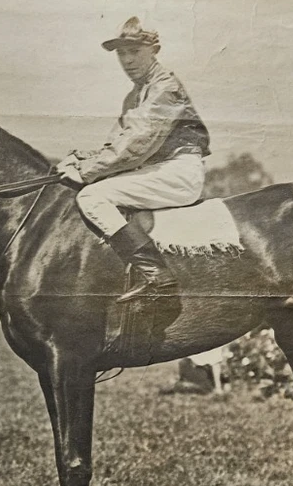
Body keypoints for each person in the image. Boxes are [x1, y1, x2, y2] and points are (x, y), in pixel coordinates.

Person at [57, 17, 210, 302]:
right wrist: (77, 161)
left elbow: (136, 145)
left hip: (179, 171)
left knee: (91, 197)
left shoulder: (165, 88)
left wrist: (86, 173)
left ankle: (157, 275)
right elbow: (115, 145)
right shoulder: (135, 95)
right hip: (158, 169)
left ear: (154, 50)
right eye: (121, 53)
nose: (127, 60)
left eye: (134, 51)